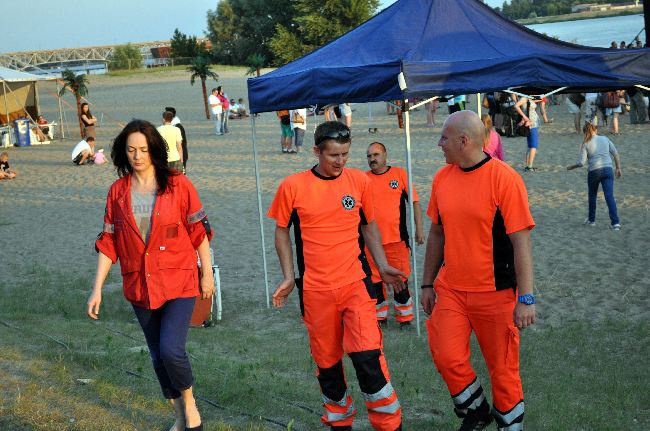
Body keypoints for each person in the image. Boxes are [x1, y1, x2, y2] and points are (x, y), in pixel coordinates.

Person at [268, 121, 404, 431]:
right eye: (333, 156)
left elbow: (369, 225)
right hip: (316, 292)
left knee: (368, 358)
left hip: (355, 285)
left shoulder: (358, 181)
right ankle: (339, 423)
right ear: (316, 151)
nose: (340, 162)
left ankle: (389, 425)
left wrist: (381, 265)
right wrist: (289, 276)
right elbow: (281, 232)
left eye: (345, 154)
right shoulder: (293, 186)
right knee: (328, 365)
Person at [88, 119, 214, 431]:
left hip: (180, 281)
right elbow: (109, 242)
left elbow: (199, 233)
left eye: (143, 149)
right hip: (139, 285)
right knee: (158, 356)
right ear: (123, 153)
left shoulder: (178, 185)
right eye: (131, 150)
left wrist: (207, 274)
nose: (138, 155)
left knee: (172, 349)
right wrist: (97, 289)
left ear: (154, 150)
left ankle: (189, 401)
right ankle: (178, 416)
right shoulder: (117, 193)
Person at [421, 110, 536, 431]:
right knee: (446, 356)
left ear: (463, 141)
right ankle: (476, 410)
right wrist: (427, 283)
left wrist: (526, 297)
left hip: (496, 293)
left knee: (503, 370)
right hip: (451, 290)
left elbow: (521, 242)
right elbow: (436, 233)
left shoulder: (505, 178)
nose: (439, 143)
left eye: (444, 137)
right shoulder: (442, 177)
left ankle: (509, 425)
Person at [365, 142, 424, 327]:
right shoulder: (363, 179)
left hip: (397, 241)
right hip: (371, 243)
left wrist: (419, 230)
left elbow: (414, 203)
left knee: (400, 280)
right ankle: (379, 318)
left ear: (385, 155)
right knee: (375, 282)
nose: (372, 159)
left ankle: (404, 318)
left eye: (376, 154)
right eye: (369, 156)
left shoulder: (400, 174)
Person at [567, 122, 622, 230]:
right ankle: (615, 223)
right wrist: (618, 168)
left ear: (585, 132)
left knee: (592, 195)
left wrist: (571, 167)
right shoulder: (605, 139)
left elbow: (581, 163)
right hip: (608, 169)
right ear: (595, 130)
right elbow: (615, 153)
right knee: (609, 196)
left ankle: (591, 220)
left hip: (594, 171)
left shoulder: (585, 143)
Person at [514, 95, 540, 171]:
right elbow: (516, 106)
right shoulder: (524, 98)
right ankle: (529, 166)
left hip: (533, 123)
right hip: (530, 124)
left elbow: (539, 99)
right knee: (533, 146)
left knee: (530, 146)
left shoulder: (529, 97)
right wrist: (524, 117)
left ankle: (528, 165)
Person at [165, 107, 188, 171]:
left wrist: (181, 158)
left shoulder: (177, 127)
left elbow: (180, 144)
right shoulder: (174, 126)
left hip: (178, 156)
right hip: (173, 156)